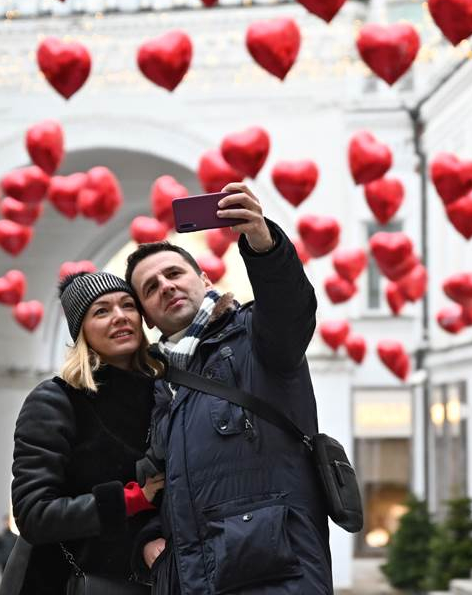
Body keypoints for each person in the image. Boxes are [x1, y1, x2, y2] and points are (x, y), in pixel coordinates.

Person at [125, 181, 330, 593]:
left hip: (278, 576)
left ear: (203, 277)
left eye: (174, 273)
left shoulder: (258, 339)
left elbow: (291, 308)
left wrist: (263, 243)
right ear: (146, 316)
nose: (165, 286)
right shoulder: (156, 387)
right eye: (150, 287)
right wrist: (148, 539)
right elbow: (154, 482)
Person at [10, 272, 166, 593]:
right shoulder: (57, 400)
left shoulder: (166, 393)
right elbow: (33, 513)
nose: (120, 317)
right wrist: (130, 500)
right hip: (68, 582)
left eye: (128, 305)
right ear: (81, 331)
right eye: (101, 311)